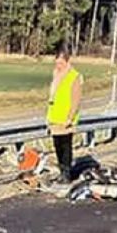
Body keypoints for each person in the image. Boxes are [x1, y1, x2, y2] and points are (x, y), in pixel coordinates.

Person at [46, 45, 83, 183]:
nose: (58, 65)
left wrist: (70, 117)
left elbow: (76, 99)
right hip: (55, 118)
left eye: (61, 62)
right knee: (57, 146)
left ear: (67, 61)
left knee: (65, 146)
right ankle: (62, 171)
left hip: (66, 119)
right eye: (57, 62)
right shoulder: (56, 75)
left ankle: (67, 174)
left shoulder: (74, 77)